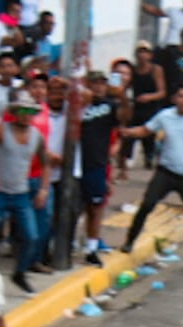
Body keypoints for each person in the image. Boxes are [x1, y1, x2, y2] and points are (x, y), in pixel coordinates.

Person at [119, 83, 183, 270]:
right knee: (147, 204)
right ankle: (129, 241)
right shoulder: (165, 116)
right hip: (166, 172)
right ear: (174, 99)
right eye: (180, 96)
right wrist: (129, 132)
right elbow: (146, 130)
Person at [0, 98, 49, 294]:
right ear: (14, 112)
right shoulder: (0, 130)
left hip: (21, 193)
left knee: (31, 236)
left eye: (30, 112)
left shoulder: (37, 136)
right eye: (22, 111)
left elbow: (45, 163)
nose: (26, 116)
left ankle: (19, 272)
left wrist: (43, 189)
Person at [74, 72, 120, 267]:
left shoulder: (109, 107)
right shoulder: (76, 107)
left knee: (95, 207)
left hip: (96, 164)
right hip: (75, 163)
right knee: (73, 208)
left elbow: (123, 122)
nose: (99, 87)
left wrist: (123, 95)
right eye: (95, 84)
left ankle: (92, 247)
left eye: (102, 84)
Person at [120, 42, 167, 178]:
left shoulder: (156, 70)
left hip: (151, 108)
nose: (142, 55)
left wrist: (149, 97)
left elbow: (162, 92)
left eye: (145, 52)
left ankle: (149, 157)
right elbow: (125, 88)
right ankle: (125, 165)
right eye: (140, 52)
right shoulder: (133, 71)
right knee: (129, 135)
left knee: (149, 136)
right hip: (136, 107)